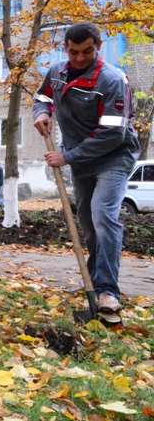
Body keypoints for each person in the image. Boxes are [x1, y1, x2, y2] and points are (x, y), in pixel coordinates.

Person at [32, 22, 139, 316]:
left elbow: (112, 134)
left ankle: (108, 292)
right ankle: (95, 282)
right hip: (82, 159)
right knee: (89, 224)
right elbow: (41, 96)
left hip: (114, 157)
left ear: (99, 47)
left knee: (104, 214)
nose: (79, 58)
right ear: (65, 48)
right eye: (74, 52)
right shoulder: (57, 72)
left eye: (87, 52)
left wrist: (67, 157)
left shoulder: (112, 80)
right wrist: (42, 113)